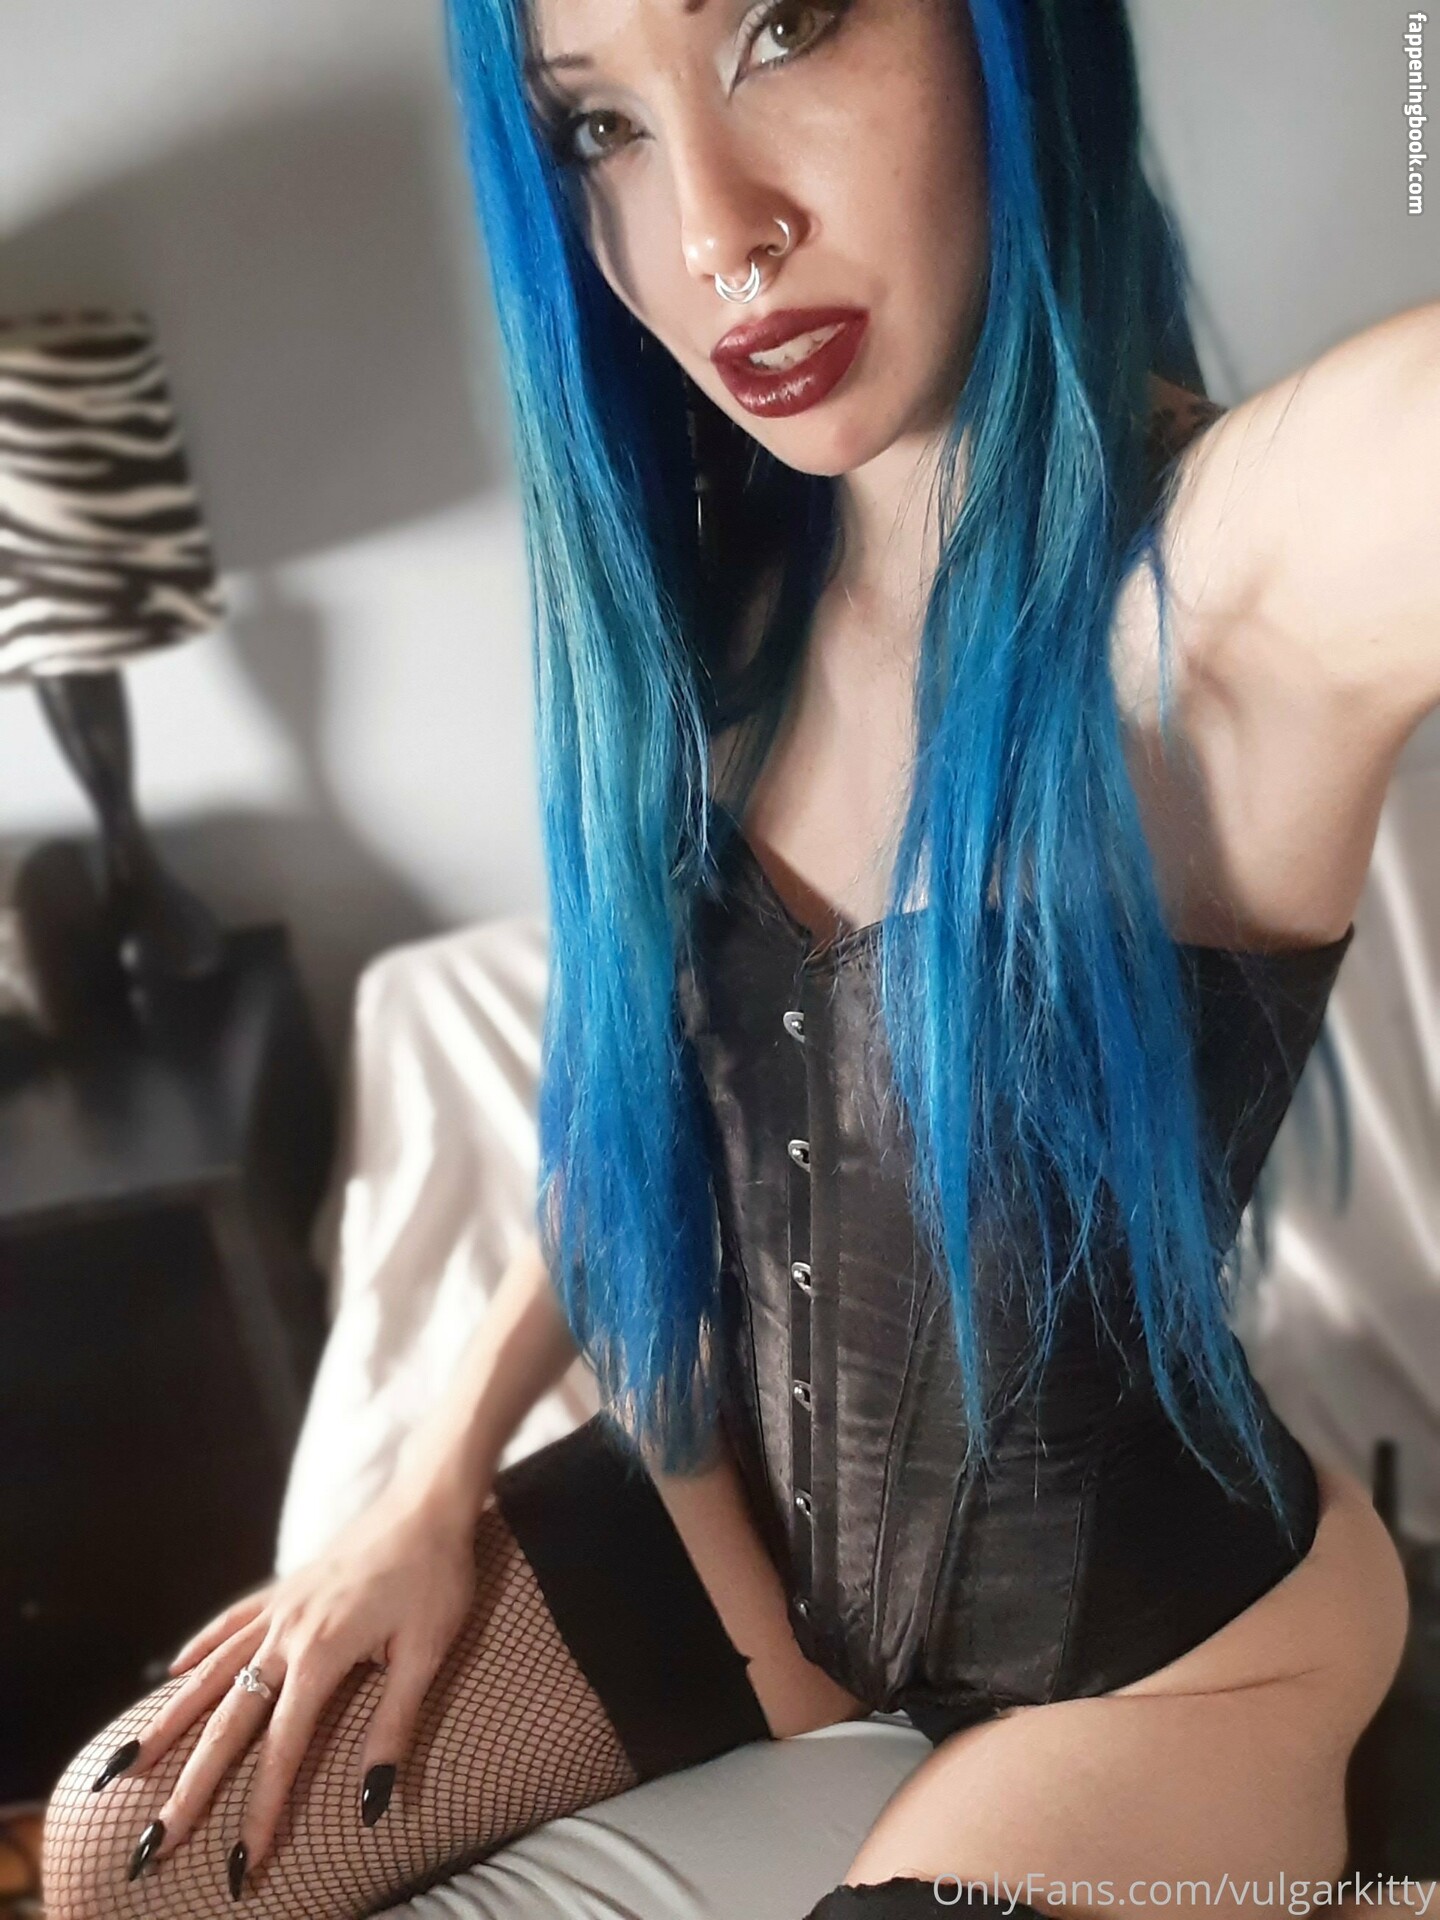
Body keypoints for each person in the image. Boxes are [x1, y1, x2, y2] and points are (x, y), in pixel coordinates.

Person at [40, 0, 1437, 1914]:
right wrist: (425, 1478)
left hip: (1160, 1659)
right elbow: (645, 1112)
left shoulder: (1219, 592)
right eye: (598, 127)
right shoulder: (727, 605)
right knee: (126, 1848)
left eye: (784, 27)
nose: (713, 233)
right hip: (749, 1540)